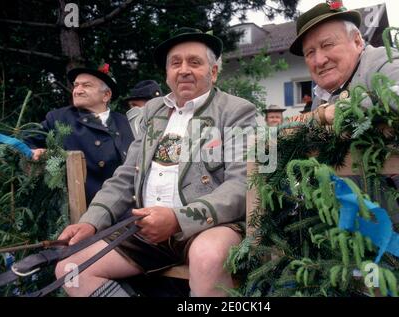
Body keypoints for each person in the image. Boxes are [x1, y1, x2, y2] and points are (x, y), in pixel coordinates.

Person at [54, 27, 256, 297]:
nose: (183, 70)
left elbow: (242, 183)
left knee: (208, 257)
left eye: (194, 62)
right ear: (167, 74)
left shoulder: (236, 111)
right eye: (175, 63)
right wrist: (92, 221)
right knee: (70, 268)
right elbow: (127, 175)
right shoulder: (154, 111)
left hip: (211, 228)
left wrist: (178, 219)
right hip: (151, 231)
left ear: (214, 72)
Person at [287, 2, 399, 247]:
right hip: (368, 236)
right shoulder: (321, 93)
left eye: (328, 45)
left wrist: (336, 111)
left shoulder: (382, 61)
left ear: (358, 42)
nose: (319, 60)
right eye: (310, 53)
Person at [27, 64, 134, 205]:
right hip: (84, 209)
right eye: (76, 85)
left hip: (129, 207)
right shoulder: (59, 118)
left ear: (106, 95)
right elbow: (24, 141)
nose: (77, 91)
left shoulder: (126, 122)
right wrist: (34, 152)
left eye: (86, 85)